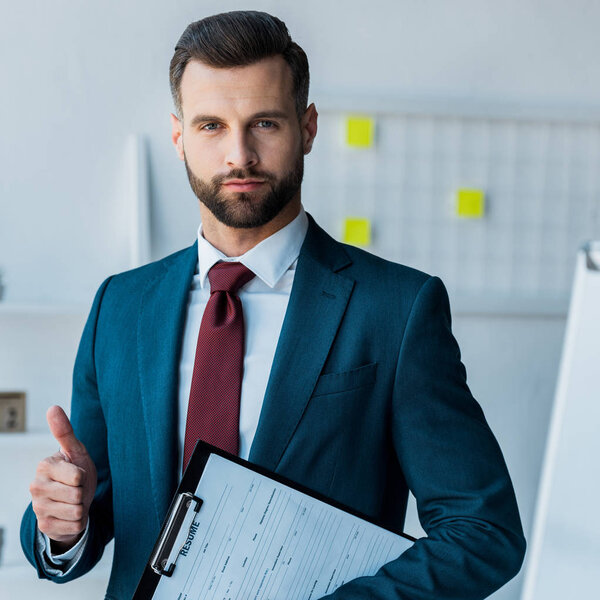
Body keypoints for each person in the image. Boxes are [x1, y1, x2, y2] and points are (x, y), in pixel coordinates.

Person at [21, 10, 525, 600]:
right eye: (211, 126)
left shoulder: (398, 309)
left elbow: (482, 529)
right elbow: (92, 504)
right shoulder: (120, 307)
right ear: (179, 135)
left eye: (264, 122)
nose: (239, 155)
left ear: (307, 128)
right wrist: (62, 526)